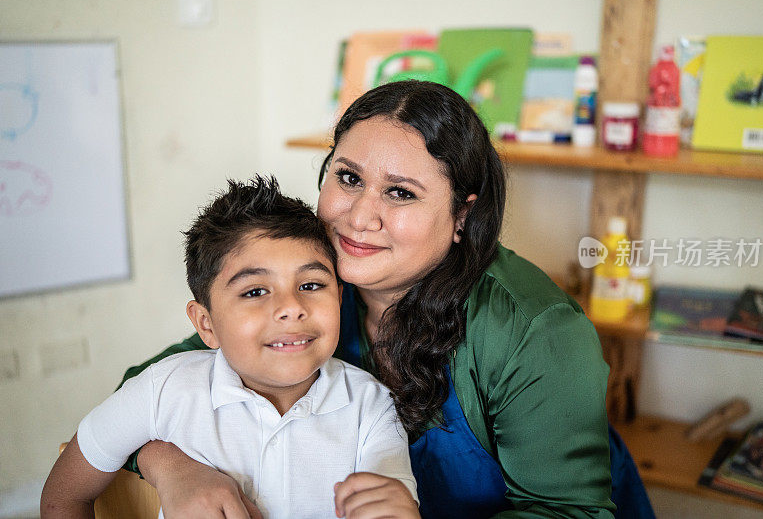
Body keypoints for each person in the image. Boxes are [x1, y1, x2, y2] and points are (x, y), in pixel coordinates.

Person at [113, 81, 643, 518]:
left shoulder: (536, 331)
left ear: (462, 215)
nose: (359, 218)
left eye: (400, 192)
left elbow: (567, 513)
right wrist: (172, 465)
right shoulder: (313, 286)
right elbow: (149, 390)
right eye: (348, 178)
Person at [40, 176, 417, 519]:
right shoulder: (164, 389)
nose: (291, 308)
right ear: (206, 323)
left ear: (339, 298)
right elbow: (64, 495)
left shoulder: (371, 408)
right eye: (255, 291)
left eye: (311, 285)